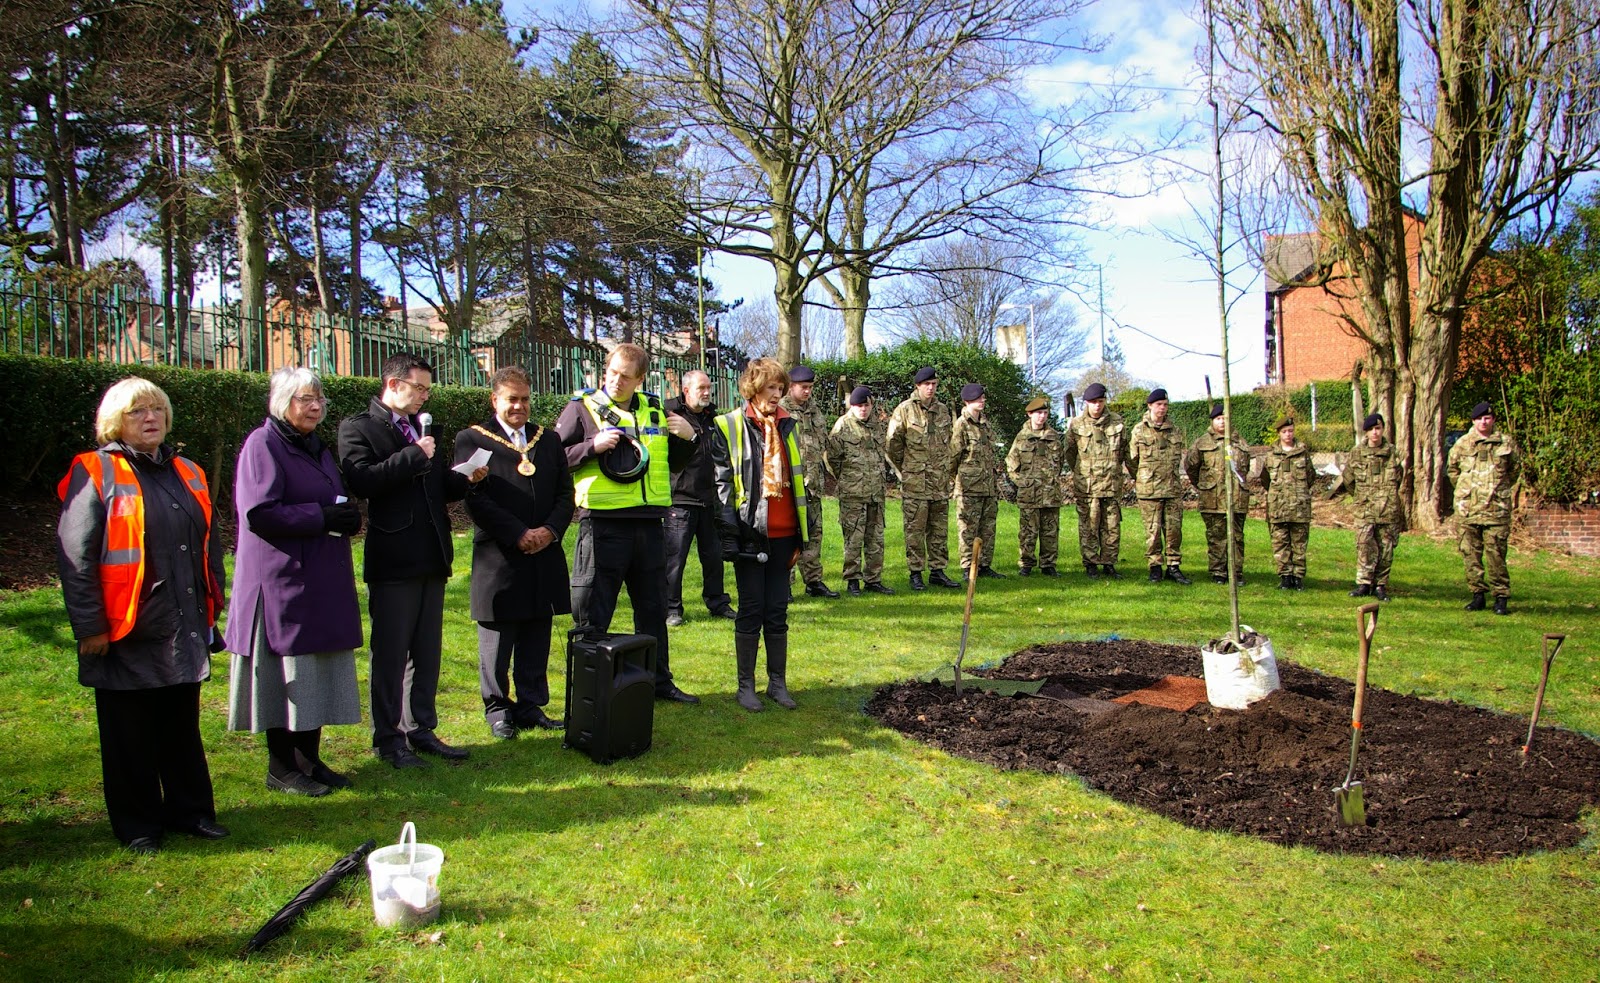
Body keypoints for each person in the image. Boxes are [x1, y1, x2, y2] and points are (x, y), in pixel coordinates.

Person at [57, 378, 228, 853]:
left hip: (181, 621)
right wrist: (89, 626)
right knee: (128, 734)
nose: (151, 418)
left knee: (180, 726)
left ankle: (191, 812)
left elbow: (208, 545)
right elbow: (77, 556)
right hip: (124, 626)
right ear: (115, 421)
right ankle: (138, 825)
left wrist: (211, 606)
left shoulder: (187, 471)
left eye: (157, 409)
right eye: (137, 412)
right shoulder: (95, 471)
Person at [339, 352, 485, 769]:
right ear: (392, 383)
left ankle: (421, 727)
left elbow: (436, 487)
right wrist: (414, 455)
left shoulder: (423, 429)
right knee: (392, 653)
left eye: (427, 389)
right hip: (394, 555)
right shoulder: (359, 427)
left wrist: (465, 478)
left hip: (432, 552)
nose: (424, 395)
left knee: (426, 650)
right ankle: (388, 738)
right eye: (418, 387)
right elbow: (362, 479)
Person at [226, 367, 364, 797]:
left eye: (319, 398)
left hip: (321, 578)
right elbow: (260, 513)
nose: (316, 406)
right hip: (282, 581)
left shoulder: (316, 448)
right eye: (305, 398)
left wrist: (344, 516)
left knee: (316, 671)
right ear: (281, 402)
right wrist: (321, 517)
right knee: (286, 677)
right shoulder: (263, 444)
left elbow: (328, 499)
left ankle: (309, 759)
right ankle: (281, 766)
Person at [556, 342, 701, 703]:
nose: (616, 381)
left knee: (654, 608)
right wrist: (591, 446)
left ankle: (658, 682)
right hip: (603, 524)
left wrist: (689, 436)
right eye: (613, 372)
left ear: (640, 379)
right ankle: (588, 693)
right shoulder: (581, 408)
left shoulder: (654, 408)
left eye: (626, 376)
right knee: (593, 611)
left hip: (650, 523)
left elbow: (673, 462)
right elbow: (551, 459)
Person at [455, 366, 574, 739]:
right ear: (495, 400)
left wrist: (550, 531)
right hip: (500, 554)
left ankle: (530, 705)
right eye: (511, 400)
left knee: (537, 630)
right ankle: (497, 709)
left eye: (524, 399)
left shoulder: (548, 439)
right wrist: (518, 533)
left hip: (543, 551)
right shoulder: (473, 439)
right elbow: (475, 499)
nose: (519, 407)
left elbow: (564, 494)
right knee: (498, 635)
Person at [711, 358, 819, 711]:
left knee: (777, 610)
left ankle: (777, 683)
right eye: (770, 388)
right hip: (750, 533)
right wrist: (730, 534)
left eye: (780, 389)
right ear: (752, 388)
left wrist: (805, 534)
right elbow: (721, 486)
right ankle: (746, 687)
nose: (776, 395)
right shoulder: (728, 425)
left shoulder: (790, 424)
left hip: (786, 533)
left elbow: (800, 482)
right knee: (751, 608)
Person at [663, 370, 736, 626]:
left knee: (714, 557)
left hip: (709, 499)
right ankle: (671, 609)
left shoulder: (712, 418)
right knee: (674, 558)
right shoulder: (670, 416)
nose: (706, 392)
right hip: (680, 500)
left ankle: (718, 602)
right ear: (686, 390)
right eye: (701, 388)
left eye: (708, 387)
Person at [886, 366, 960, 590]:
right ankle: (916, 572)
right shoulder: (905, 410)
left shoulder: (943, 410)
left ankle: (938, 570)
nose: (930, 388)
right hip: (916, 481)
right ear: (917, 386)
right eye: (926, 384)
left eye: (934, 384)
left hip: (938, 481)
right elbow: (893, 444)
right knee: (915, 529)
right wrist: (908, 467)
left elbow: (949, 442)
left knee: (939, 529)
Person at [1447, 401, 1521, 614]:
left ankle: (1501, 597)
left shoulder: (1505, 443)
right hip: (1468, 511)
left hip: (1496, 511)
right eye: (1480, 418)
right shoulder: (1462, 444)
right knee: (1470, 554)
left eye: (1487, 418)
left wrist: (1499, 490)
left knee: (1496, 555)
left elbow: (1514, 470)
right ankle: (1477, 594)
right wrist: (1466, 493)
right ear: (1473, 421)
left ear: (1493, 419)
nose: (1484, 422)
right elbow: (1453, 471)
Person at [827, 385, 893, 596]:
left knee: (875, 538)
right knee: (853, 539)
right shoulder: (842, 427)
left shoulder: (877, 426)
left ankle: (873, 579)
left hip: (876, 491)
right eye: (858, 406)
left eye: (866, 405)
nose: (863, 409)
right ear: (851, 406)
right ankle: (852, 579)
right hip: (853, 492)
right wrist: (848, 479)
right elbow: (833, 459)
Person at [781, 365, 839, 599]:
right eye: (803, 388)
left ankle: (813, 581)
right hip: (789, 486)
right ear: (791, 387)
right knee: (788, 535)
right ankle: (783, 583)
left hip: (812, 485)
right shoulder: (781, 412)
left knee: (814, 534)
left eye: (810, 388)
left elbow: (822, 446)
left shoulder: (815, 412)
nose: (807, 392)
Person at [1335, 413, 1404, 601]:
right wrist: (1362, 497)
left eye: (1378, 428)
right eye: (1372, 429)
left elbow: (1399, 477)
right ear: (1366, 432)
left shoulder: (1392, 452)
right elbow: (1349, 480)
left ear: (1382, 430)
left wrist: (1385, 495)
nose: (1375, 432)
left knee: (1386, 548)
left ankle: (1381, 585)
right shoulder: (1357, 453)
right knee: (1364, 545)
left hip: (1388, 509)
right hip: (1365, 509)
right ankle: (1364, 583)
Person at [1063, 382, 1127, 578]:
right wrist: (1082, 473)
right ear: (1086, 403)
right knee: (1089, 526)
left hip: (1111, 484)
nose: (1097, 406)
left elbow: (1124, 451)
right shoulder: (1076, 425)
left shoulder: (1117, 423)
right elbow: (1070, 453)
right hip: (1088, 486)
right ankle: (1090, 563)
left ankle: (1109, 563)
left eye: (1100, 401)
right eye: (1092, 402)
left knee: (1112, 526)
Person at [1127, 388, 1190, 585]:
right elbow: (1132, 460)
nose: (1162, 408)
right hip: (1149, 490)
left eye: (1165, 405)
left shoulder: (1175, 430)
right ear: (1150, 406)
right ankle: (1154, 567)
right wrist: (1143, 477)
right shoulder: (1139, 430)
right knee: (1152, 531)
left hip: (1172, 488)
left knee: (1174, 530)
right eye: (1158, 405)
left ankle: (1173, 566)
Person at [1183, 403, 1251, 585]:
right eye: (1218, 419)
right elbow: (1191, 466)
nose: (1222, 422)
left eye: (1225, 418)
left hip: (1236, 498)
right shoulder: (1202, 442)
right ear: (1212, 421)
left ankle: (1236, 571)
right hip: (1213, 499)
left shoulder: (1240, 443)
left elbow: (1245, 468)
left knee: (1236, 537)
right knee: (1216, 536)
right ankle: (1218, 572)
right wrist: (1203, 485)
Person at [949, 382, 1005, 578]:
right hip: (969, 486)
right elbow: (954, 456)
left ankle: (984, 565)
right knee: (967, 528)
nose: (982, 401)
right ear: (967, 401)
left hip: (987, 485)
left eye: (982, 397)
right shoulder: (961, 425)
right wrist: (955, 482)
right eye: (978, 398)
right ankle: (967, 567)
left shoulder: (985, 424)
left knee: (987, 527)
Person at [1006, 396, 1065, 576]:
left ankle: (1049, 565)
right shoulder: (1022, 438)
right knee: (1028, 531)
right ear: (1030, 414)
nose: (1042, 417)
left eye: (1045, 413)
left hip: (1050, 493)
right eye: (1038, 413)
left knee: (1050, 531)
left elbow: (1060, 462)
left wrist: (1051, 480)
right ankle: (1026, 564)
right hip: (1029, 493)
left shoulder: (1054, 437)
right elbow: (1011, 464)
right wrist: (1023, 483)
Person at [1261, 416, 1315, 590]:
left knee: (1299, 544)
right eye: (1284, 432)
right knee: (1280, 542)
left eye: (1290, 431)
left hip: (1299, 507)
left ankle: (1298, 576)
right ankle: (1285, 576)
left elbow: (1310, 476)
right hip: (1278, 507)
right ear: (1279, 433)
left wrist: (1298, 493)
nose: (1288, 435)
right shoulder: (1271, 455)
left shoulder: (1303, 453)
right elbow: (1265, 479)